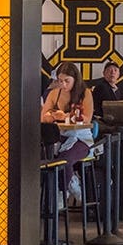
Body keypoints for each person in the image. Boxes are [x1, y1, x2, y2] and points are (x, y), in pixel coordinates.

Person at [40, 62, 95, 203]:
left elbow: (86, 119)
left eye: (67, 81)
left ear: (75, 80)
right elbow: (43, 117)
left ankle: (62, 191)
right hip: (60, 138)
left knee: (65, 160)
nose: (63, 85)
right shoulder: (54, 94)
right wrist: (53, 116)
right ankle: (68, 184)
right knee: (51, 159)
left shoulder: (85, 93)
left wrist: (65, 117)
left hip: (81, 138)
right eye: (60, 81)